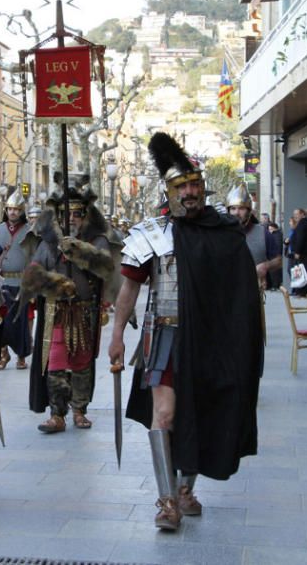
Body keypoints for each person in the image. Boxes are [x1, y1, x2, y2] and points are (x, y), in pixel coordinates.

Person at [108, 132, 262, 532]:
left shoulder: (224, 231)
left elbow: (241, 292)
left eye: (195, 184)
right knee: (167, 413)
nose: (190, 192)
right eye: (182, 186)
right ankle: (166, 502)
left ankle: (185, 489)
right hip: (166, 335)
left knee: (205, 411)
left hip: (214, 339)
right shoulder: (153, 233)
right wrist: (116, 335)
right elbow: (130, 287)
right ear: (169, 189)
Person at [24, 185, 114, 434]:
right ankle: (57, 414)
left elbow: (105, 267)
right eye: (67, 214)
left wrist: (78, 250)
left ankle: (79, 410)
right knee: (55, 363)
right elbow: (33, 272)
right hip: (56, 311)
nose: (71, 218)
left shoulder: (97, 239)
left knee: (81, 362)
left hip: (84, 312)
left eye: (77, 213)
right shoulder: (48, 242)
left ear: (85, 215)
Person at [0, 189, 33, 370]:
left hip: (20, 283)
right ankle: (3, 355)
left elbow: (33, 259)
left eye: (16, 209)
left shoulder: (28, 231)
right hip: (1, 283)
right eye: (10, 209)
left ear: (22, 211)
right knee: (2, 321)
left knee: (20, 323)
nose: (13, 212)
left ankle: (21, 356)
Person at [226, 183, 282, 291]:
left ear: (249, 211)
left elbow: (279, 261)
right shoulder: (220, 234)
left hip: (253, 292)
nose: (236, 213)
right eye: (233, 208)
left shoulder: (262, 233)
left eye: (241, 208)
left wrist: (266, 266)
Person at [290, 208, 307, 295]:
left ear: (302, 214)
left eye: (297, 214)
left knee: (305, 272)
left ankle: (305, 291)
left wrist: (297, 252)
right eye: (294, 214)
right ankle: (306, 291)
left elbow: (300, 239)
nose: (295, 216)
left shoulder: (303, 224)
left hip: (304, 253)